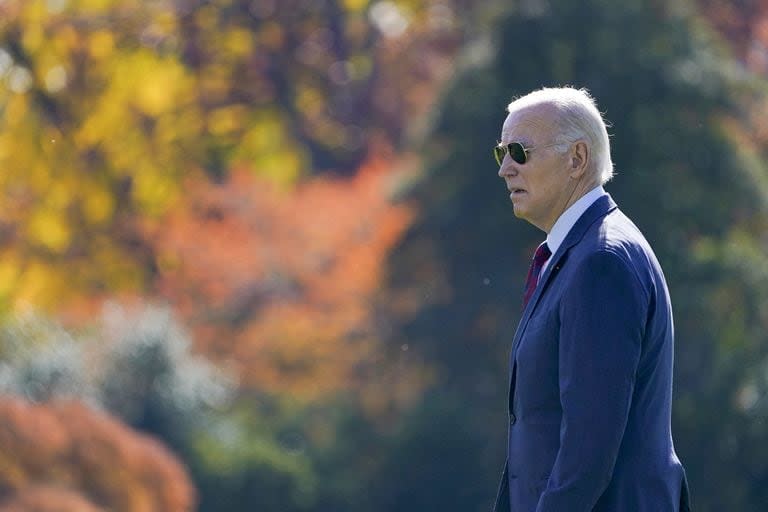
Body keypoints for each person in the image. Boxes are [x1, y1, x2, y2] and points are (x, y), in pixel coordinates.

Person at [491, 87, 691, 512]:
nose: (505, 168)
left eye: (519, 151)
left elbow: (588, 449)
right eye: (501, 154)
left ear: (577, 159)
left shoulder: (601, 261)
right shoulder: (579, 254)